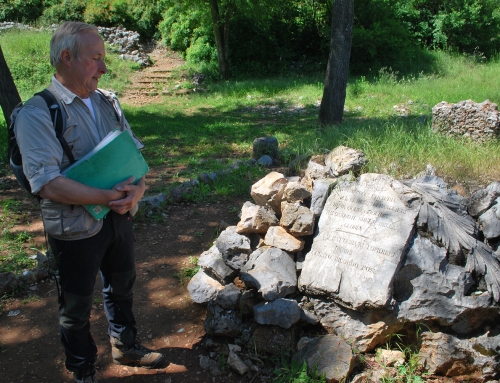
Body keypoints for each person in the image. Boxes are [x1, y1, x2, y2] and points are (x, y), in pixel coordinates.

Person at [14, 21, 165, 383]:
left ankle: (125, 345)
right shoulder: (37, 113)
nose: (104, 67)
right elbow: (47, 183)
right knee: (77, 304)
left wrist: (138, 190)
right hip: (74, 227)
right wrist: (109, 197)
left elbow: (132, 156)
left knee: (123, 283)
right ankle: (82, 369)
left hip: (119, 218)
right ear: (66, 58)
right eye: (96, 58)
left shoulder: (107, 101)